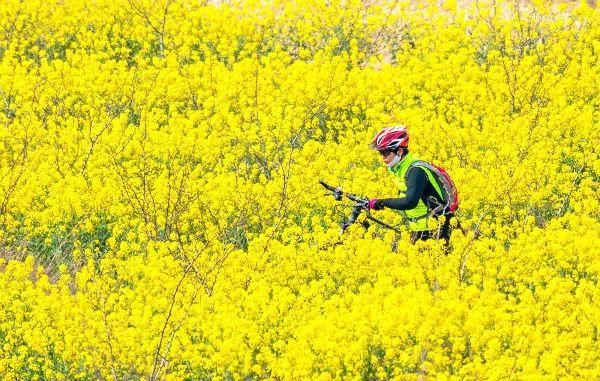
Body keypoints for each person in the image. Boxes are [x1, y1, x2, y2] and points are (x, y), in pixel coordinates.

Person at [366, 125, 454, 245]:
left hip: (437, 230)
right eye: (380, 153)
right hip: (421, 230)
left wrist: (382, 202)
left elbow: (410, 202)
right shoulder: (399, 169)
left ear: (400, 151)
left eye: (385, 152)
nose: (382, 156)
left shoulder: (416, 171)